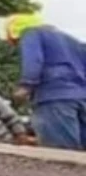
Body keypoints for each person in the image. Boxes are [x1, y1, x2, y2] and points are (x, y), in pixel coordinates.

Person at [8, 14, 86, 150]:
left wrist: (25, 86)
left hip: (53, 97)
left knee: (60, 154)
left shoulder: (30, 33)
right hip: (82, 97)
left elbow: (34, 61)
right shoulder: (72, 41)